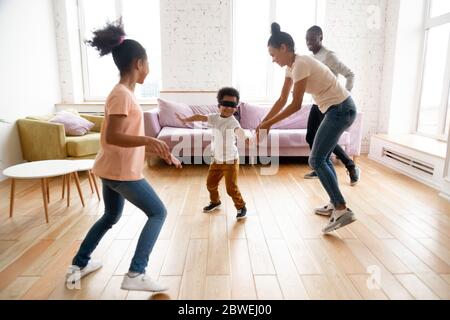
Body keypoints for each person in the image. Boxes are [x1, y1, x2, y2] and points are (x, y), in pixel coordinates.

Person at [66, 18, 182, 292]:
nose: (148, 69)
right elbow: (113, 136)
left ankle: (79, 263)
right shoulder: (121, 95)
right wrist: (147, 139)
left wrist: (157, 148)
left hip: (110, 169)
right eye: (148, 63)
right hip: (120, 173)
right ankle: (136, 272)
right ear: (139, 63)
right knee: (158, 212)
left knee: (110, 216)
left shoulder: (125, 94)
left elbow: (124, 134)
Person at [256, 22, 357, 233]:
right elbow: (282, 99)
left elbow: (295, 104)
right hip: (336, 109)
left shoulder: (301, 63)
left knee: (316, 159)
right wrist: (262, 124)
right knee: (324, 158)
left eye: (273, 54)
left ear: (284, 48)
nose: (273, 60)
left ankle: (341, 208)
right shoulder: (291, 67)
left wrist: (269, 125)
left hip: (341, 108)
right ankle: (334, 201)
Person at [176, 87, 250, 220]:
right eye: (225, 104)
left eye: (232, 105)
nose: (228, 108)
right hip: (216, 159)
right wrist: (185, 120)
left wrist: (245, 138)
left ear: (236, 107)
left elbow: (239, 131)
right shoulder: (214, 118)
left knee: (231, 188)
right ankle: (215, 202)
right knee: (210, 184)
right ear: (219, 105)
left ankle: (241, 206)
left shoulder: (233, 121)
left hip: (230, 161)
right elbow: (200, 117)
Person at [304, 25, 360, 186]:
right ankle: (321, 166)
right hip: (317, 103)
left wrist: (345, 94)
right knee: (311, 137)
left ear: (321, 38)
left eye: (313, 39)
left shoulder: (329, 56)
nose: (309, 42)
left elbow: (350, 74)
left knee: (326, 140)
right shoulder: (310, 58)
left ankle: (350, 166)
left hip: (332, 104)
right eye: (307, 39)